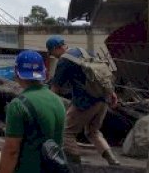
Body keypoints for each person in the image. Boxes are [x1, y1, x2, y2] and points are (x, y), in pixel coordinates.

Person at [47, 36, 120, 166]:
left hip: (85, 102)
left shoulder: (64, 61)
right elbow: (102, 76)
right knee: (93, 131)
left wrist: (46, 105)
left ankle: (75, 163)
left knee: (66, 131)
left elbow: (55, 88)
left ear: (56, 48)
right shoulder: (85, 52)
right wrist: (112, 94)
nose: (53, 56)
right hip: (102, 99)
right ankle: (112, 159)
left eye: (51, 53)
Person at [0, 50, 66, 173]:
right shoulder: (58, 101)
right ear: (44, 72)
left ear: (16, 72)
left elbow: (11, 150)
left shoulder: (18, 105)